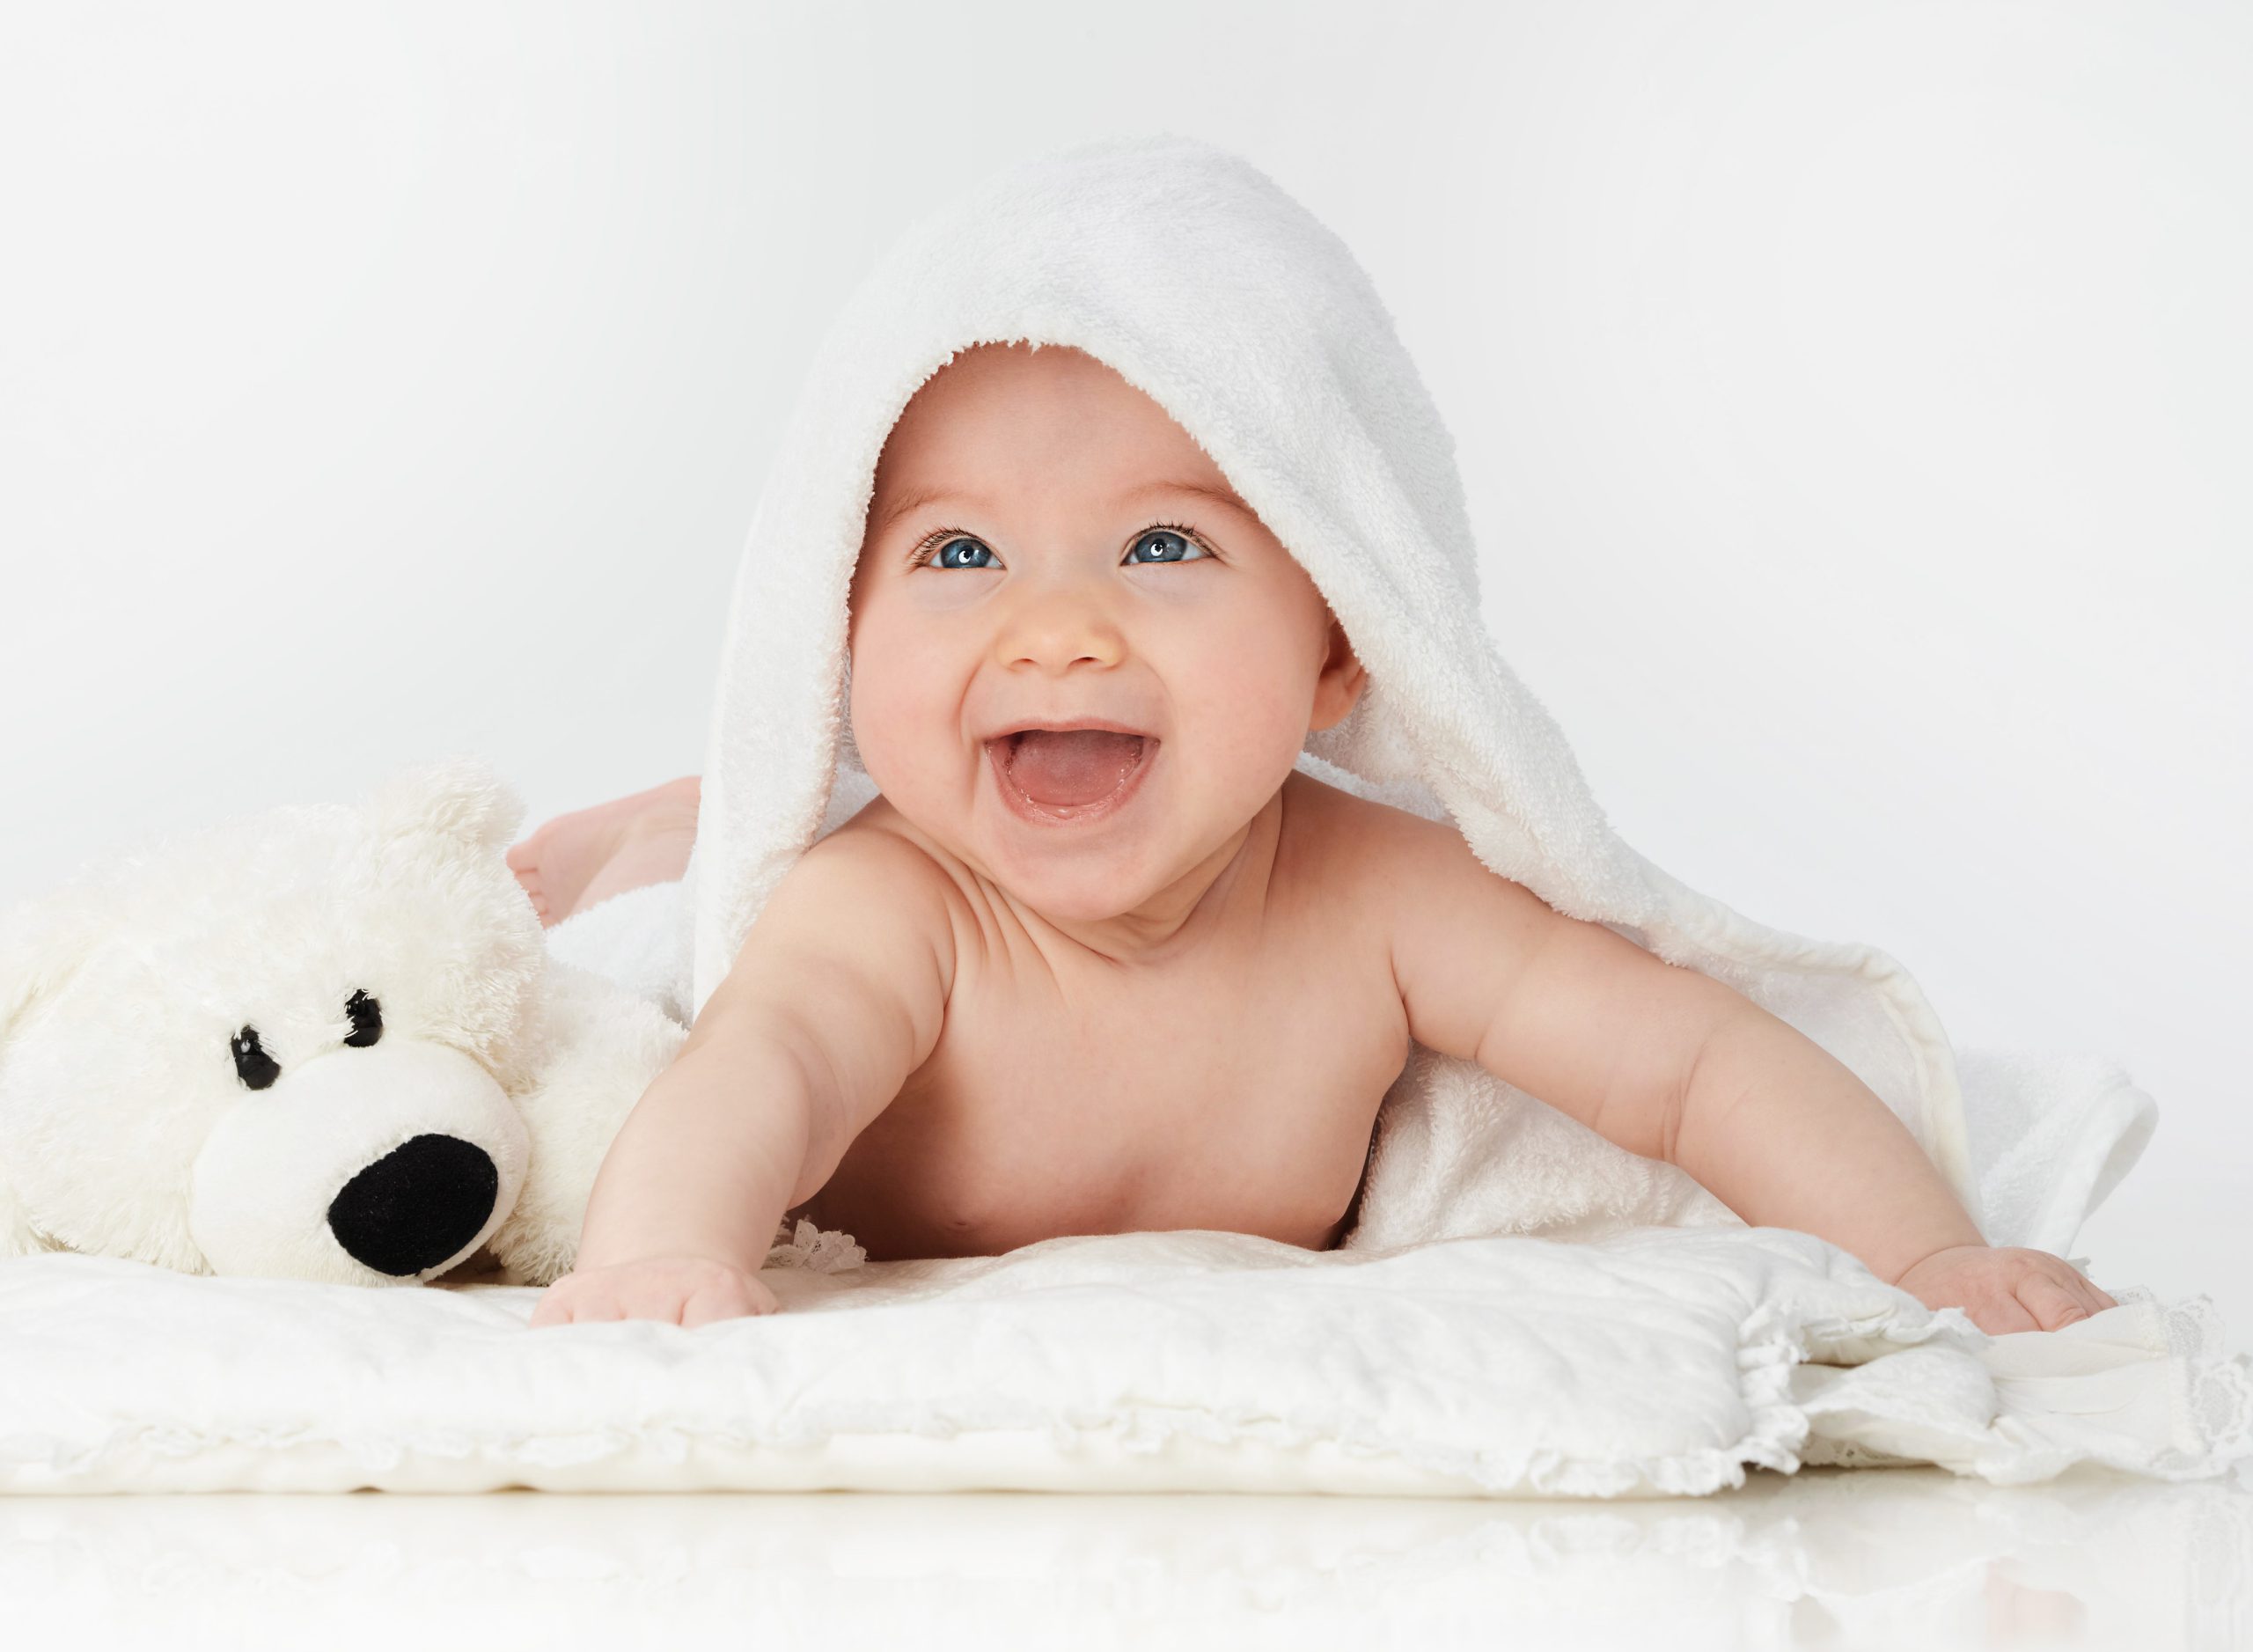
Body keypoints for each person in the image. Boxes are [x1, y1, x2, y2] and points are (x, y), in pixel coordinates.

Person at [517, 338, 2116, 1335]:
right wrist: (662, 1255)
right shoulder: (892, 904)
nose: (1057, 627)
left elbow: (1690, 1061)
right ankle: (676, 831)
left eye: (1160, 543)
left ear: (1340, 653)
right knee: (624, 965)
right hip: (811, 910)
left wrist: (1924, 1258)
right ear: (837, 645)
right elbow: (764, 1066)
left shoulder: (1380, 899)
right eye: (958, 550)